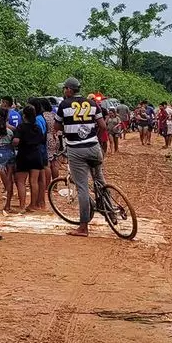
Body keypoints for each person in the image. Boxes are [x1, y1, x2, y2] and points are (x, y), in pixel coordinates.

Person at [54, 77, 108, 237]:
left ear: (70, 90)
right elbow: (103, 126)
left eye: (65, 88)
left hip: (76, 149)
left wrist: (69, 129)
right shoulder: (92, 104)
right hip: (93, 147)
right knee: (100, 180)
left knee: (82, 187)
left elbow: (56, 126)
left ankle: (83, 227)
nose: (64, 91)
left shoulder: (64, 105)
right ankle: (110, 211)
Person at [13, 104, 45, 213]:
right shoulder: (37, 127)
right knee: (34, 181)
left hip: (23, 155)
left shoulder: (21, 127)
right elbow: (41, 139)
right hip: (36, 155)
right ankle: (33, 205)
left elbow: (16, 141)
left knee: (21, 181)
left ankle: (22, 206)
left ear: (24, 116)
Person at [0, 108, 17, 213]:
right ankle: (7, 205)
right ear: (7, 117)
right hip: (10, 154)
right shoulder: (11, 130)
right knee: (10, 181)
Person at [41, 98, 60, 181]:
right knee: (54, 161)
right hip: (55, 138)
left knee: (47, 163)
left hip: (47, 138)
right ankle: (55, 184)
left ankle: (48, 184)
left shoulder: (43, 116)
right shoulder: (54, 115)